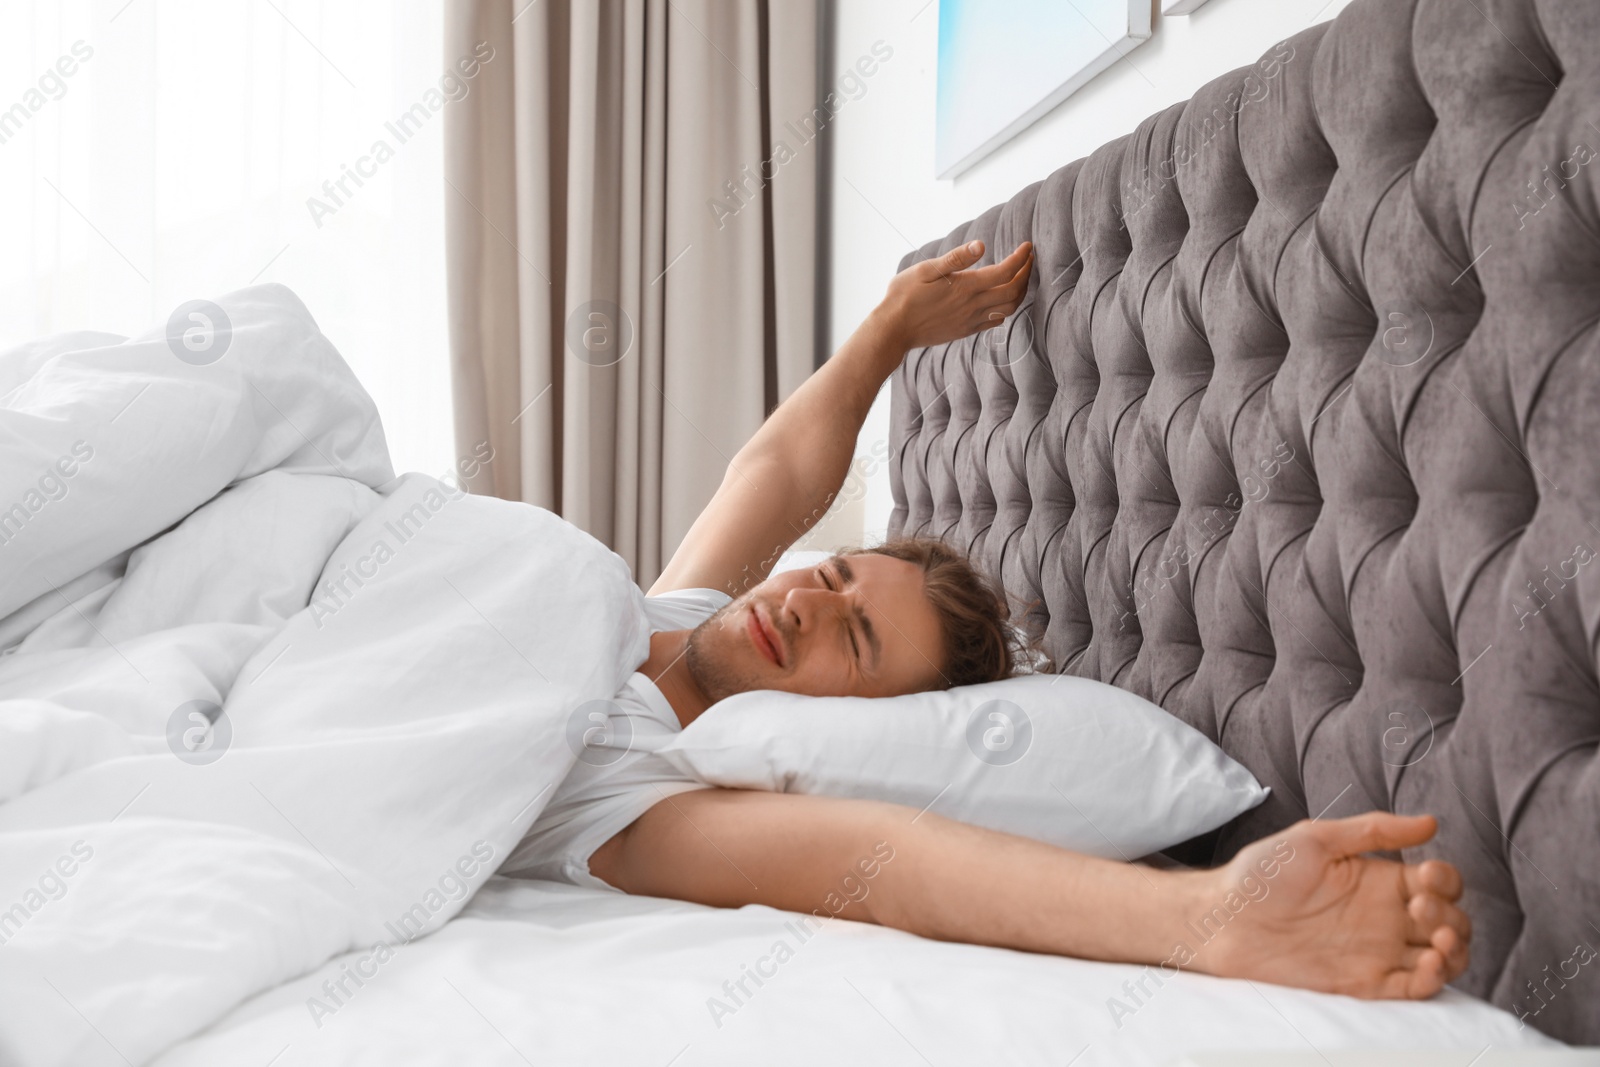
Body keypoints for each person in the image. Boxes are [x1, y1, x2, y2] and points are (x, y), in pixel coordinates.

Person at [501, 238, 1471, 1000]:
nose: (801, 604)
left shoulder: (643, 799)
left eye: (855, 638)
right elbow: (771, 476)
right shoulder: (681, 614)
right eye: (834, 576)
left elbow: (884, 864)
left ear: (862, 719)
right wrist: (886, 332)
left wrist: (1209, 913)